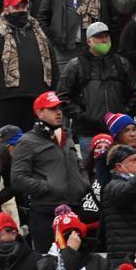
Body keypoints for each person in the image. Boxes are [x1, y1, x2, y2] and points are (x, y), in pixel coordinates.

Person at [10, 91, 91, 253]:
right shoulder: (27, 141)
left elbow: (79, 165)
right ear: (40, 112)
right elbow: (17, 178)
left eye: (59, 108)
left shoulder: (66, 137)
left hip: (74, 210)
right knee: (49, 266)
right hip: (45, 213)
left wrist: (83, 184)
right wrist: (48, 187)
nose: (59, 112)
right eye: (52, 109)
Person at [0, 0, 58, 132]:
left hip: (37, 97)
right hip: (7, 99)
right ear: (6, 10)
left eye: (23, 7)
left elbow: (52, 61)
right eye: (16, 7)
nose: (21, 11)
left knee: (34, 138)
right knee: (8, 138)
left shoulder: (39, 33)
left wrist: (54, 88)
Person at [57, 21, 136, 143]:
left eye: (106, 36)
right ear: (89, 41)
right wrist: (83, 117)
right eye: (99, 37)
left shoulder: (121, 63)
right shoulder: (76, 65)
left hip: (119, 132)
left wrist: (124, 114)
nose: (104, 40)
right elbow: (62, 96)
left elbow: (135, 92)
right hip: (88, 133)